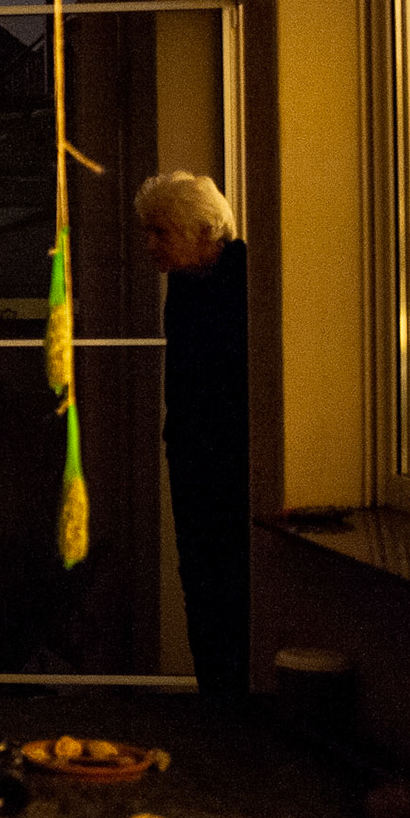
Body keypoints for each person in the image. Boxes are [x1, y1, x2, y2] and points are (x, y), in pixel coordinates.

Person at [134, 171, 248, 696]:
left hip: (233, 462)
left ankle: (234, 699)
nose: (150, 245)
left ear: (204, 232)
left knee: (231, 582)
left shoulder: (247, 283)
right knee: (199, 582)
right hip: (193, 456)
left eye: (162, 232)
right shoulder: (185, 284)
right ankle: (216, 697)